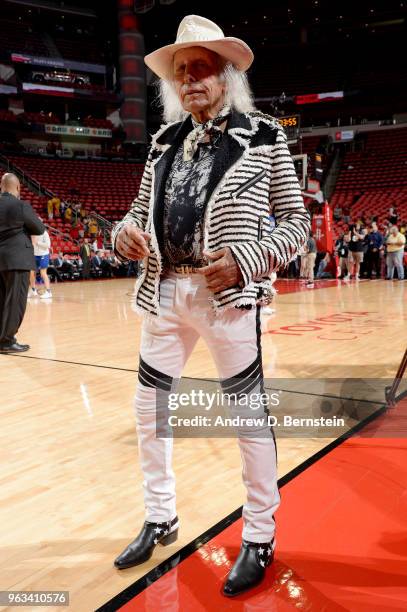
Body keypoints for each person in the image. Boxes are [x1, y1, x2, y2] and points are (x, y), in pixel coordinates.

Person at [110, 15, 310, 597]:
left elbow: (297, 225)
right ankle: (160, 515)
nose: (191, 81)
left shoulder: (268, 135)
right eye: (181, 73)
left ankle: (260, 534)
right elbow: (137, 208)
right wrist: (125, 232)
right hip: (166, 292)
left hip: (228, 298)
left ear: (224, 75)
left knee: (248, 420)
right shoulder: (163, 141)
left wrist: (248, 259)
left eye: (201, 69)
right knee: (149, 411)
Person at [0, 173, 45, 352]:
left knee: (2, 299)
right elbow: (39, 228)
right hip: (17, 259)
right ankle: (7, 340)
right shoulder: (20, 205)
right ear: (18, 188)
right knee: (15, 301)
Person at [29, 229, 53, 299]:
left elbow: (48, 245)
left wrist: (37, 243)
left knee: (43, 273)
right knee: (31, 272)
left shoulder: (44, 233)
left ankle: (48, 292)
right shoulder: (31, 232)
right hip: (34, 254)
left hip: (43, 254)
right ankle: (33, 290)